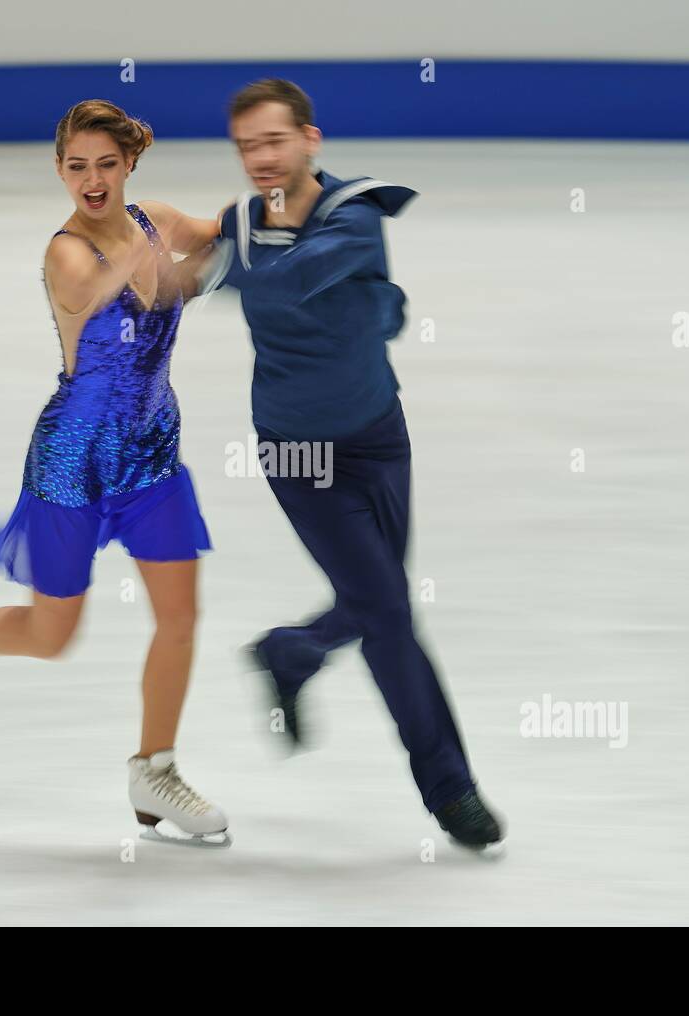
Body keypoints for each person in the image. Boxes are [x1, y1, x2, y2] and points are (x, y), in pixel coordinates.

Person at [0, 99, 229, 848]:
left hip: (152, 455)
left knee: (180, 618)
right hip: (73, 462)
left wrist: (281, 200)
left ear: (129, 165)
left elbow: (223, 234)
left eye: (107, 164)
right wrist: (180, 263)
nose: (93, 180)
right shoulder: (66, 254)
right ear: (59, 170)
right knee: (52, 633)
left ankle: (154, 769)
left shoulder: (157, 220)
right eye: (78, 167)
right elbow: (95, 292)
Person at [193, 79, 505, 851]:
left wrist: (211, 269)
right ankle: (450, 790)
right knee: (390, 615)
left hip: (377, 435)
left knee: (378, 605)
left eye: (274, 141)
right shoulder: (238, 222)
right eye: (246, 146)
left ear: (310, 139)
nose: (261, 158)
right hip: (297, 450)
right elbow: (365, 308)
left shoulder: (354, 215)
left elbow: (298, 279)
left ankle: (290, 652)